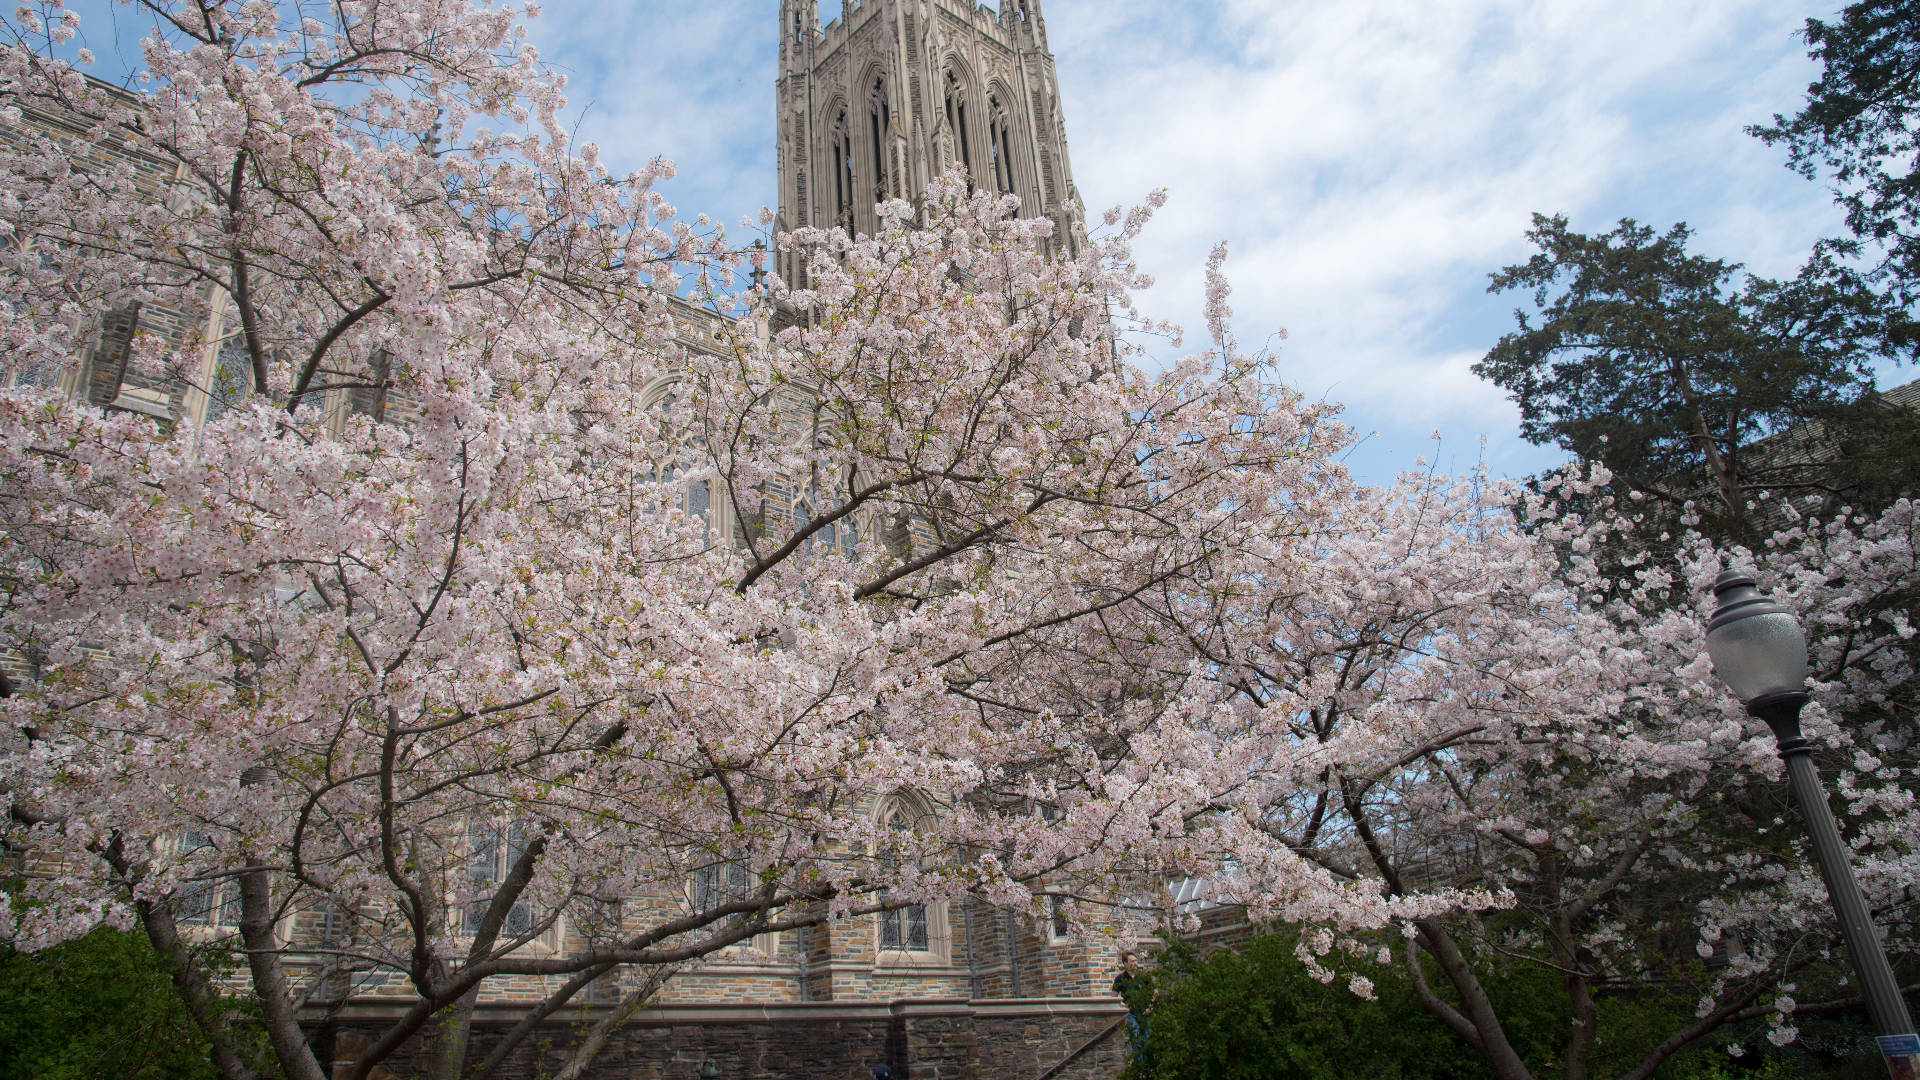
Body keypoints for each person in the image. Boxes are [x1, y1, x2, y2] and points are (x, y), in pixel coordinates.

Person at [1112, 950, 1151, 1065]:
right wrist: (1123, 1006)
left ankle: (1148, 1068)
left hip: (1145, 1012)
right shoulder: (1120, 978)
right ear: (1125, 963)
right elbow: (1113, 997)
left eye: (1136, 961)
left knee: (1147, 1040)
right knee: (1137, 1038)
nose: (1135, 963)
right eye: (1132, 961)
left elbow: (1155, 992)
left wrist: (1150, 1006)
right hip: (1131, 1014)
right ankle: (1141, 1070)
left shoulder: (1143, 976)